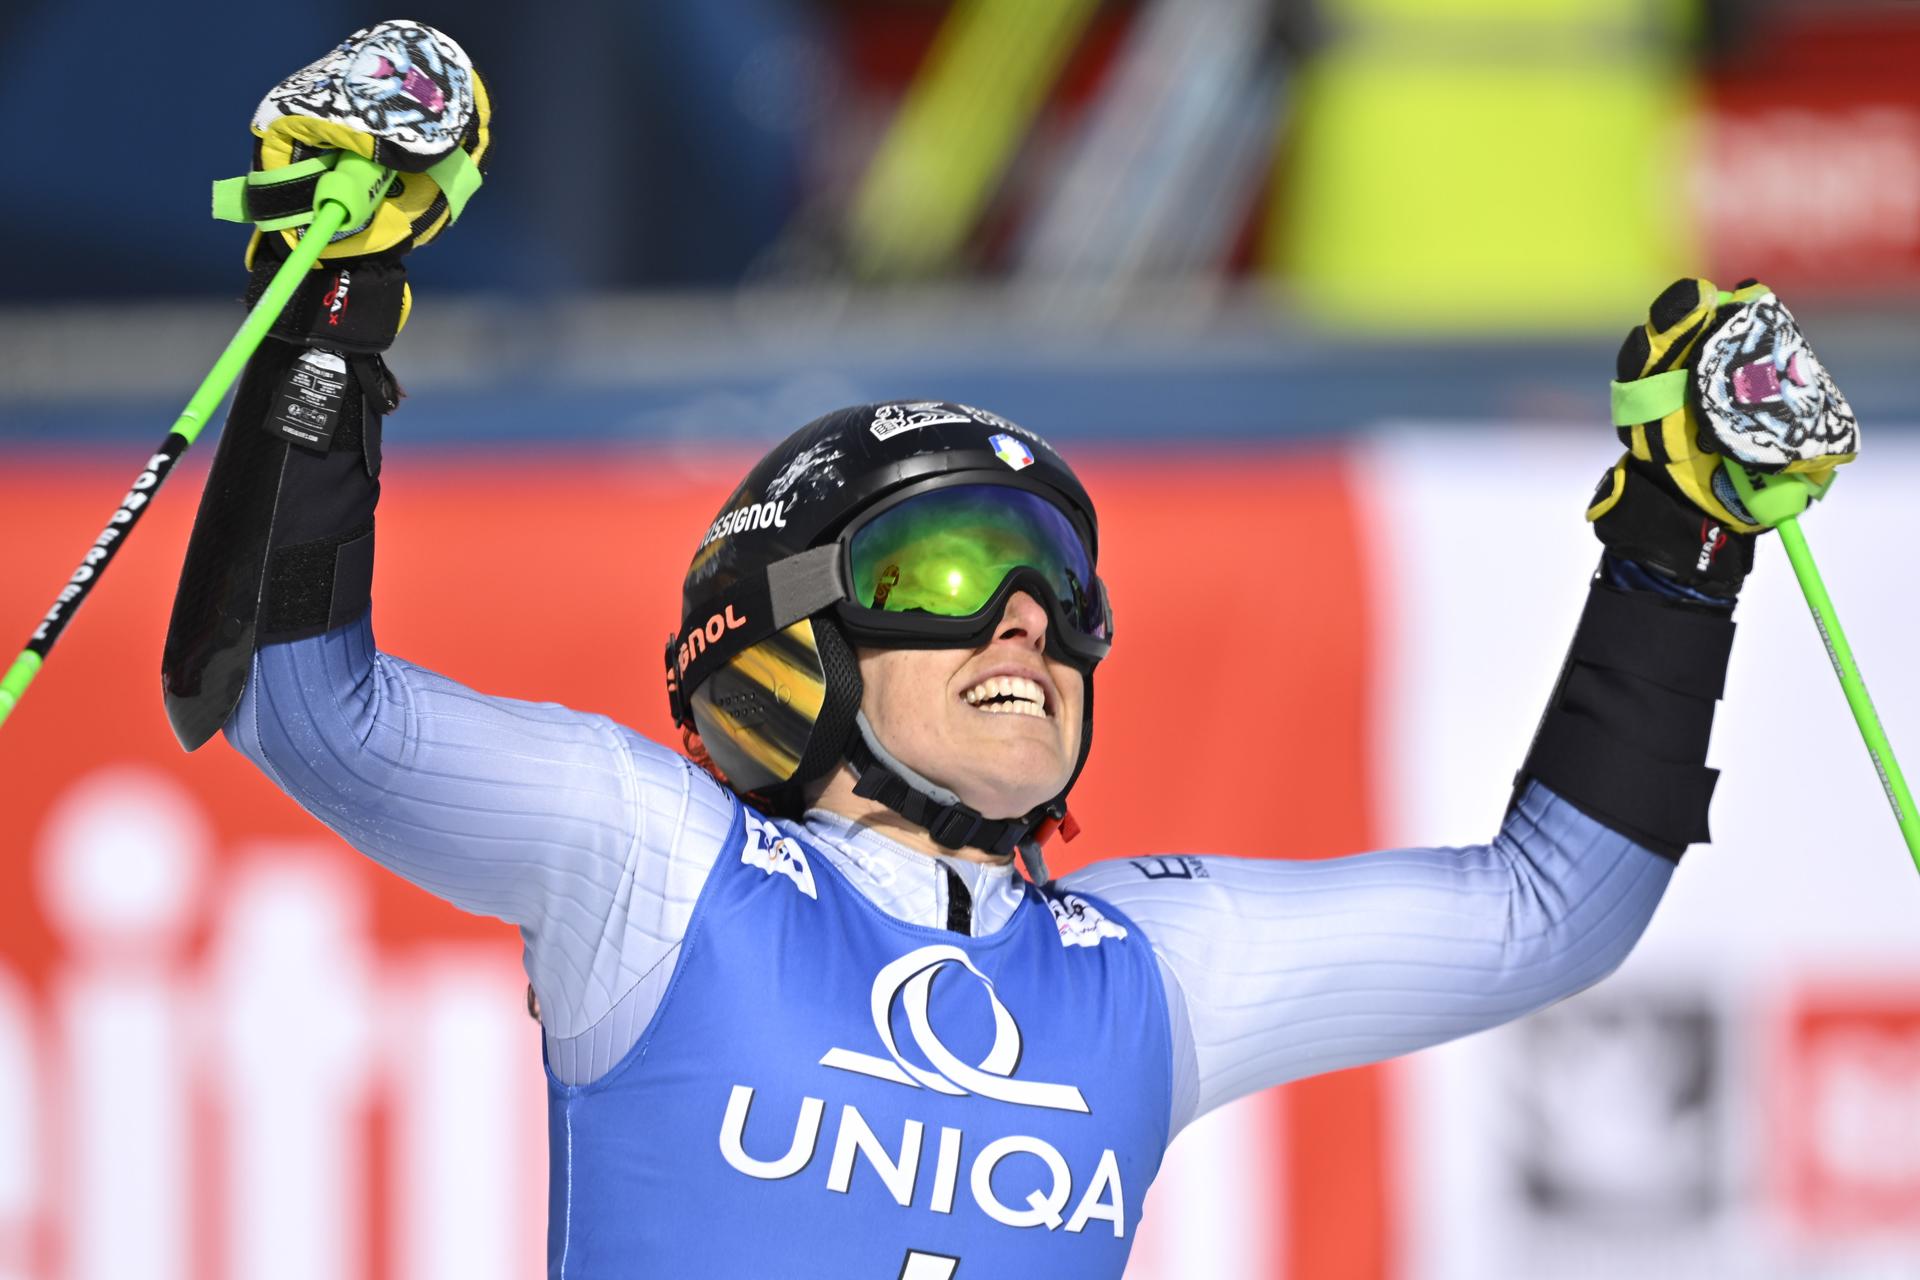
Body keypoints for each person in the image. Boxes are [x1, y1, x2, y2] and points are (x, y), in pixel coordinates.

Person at [161, 23, 1859, 1280]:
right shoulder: (661, 867)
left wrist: (1679, 542)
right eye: (947, 567)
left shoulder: (1145, 967)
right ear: (792, 638)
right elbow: (310, 707)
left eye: (1051, 576)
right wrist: (331, 300)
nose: (1027, 617)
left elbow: (1549, 912)